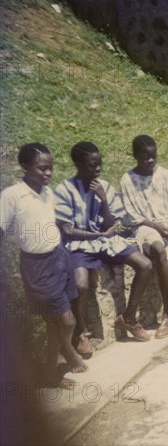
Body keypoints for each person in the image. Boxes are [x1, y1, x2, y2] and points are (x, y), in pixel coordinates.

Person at [0, 143, 87, 386]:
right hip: (37, 266)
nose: (48, 173)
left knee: (53, 323)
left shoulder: (48, 193)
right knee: (66, 321)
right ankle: (69, 352)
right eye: (42, 169)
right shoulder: (11, 196)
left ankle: (50, 375)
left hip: (59, 259)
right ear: (25, 167)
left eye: (50, 168)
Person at [55, 142, 153, 347]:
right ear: (78, 164)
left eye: (100, 164)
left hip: (104, 241)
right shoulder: (64, 189)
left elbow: (112, 225)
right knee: (80, 285)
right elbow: (66, 230)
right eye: (93, 165)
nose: (98, 169)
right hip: (79, 244)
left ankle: (128, 316)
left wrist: (104, 201)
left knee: (145, 265)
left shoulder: (104, 187)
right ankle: (81, 332)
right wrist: (97, 234)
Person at [120, 135, 168, 339]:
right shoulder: (127, 180)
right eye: (145, 157)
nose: (150, 161)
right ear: (135, 156)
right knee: (159, 249)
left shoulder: (165, 175)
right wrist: (156, 226)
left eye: (153, 157)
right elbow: (131, 217)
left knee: (164, 265)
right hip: (144, 227)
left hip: (167, 226)